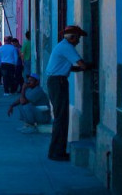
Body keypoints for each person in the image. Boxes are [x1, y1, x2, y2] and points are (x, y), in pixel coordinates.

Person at [45, 25, 90, 162]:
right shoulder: (67, 47)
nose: (79, 41)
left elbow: (68, 66)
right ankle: (57, 152)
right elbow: (81, 64)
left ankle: (56, 151)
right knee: (61, 118)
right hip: (58, 83)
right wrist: (89, 66)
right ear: (72, 37)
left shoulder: (62, 46)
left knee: (60, 118)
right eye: (78, 38)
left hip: (56, 81)